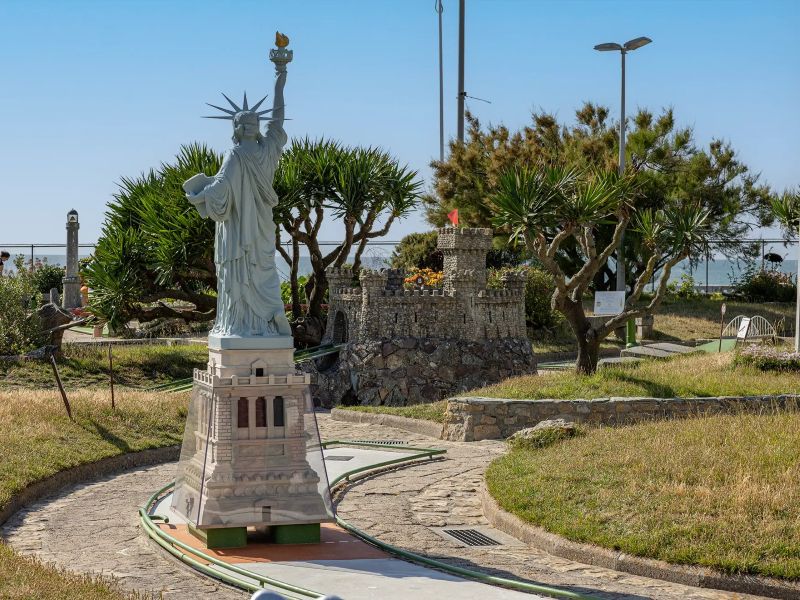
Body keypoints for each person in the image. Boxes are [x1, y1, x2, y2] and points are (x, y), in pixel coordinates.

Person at [185, 58, 292, 339]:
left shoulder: (235, 154)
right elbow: (278, 117)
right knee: (264, 270)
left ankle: (243, 325)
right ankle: (268, 317)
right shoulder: (268, 151)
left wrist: (199, 195)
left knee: (242, 271)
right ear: (254, 128)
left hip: (240, 230)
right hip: (261, 226)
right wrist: (280, 78)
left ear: (237, 129)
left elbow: (221, 187)